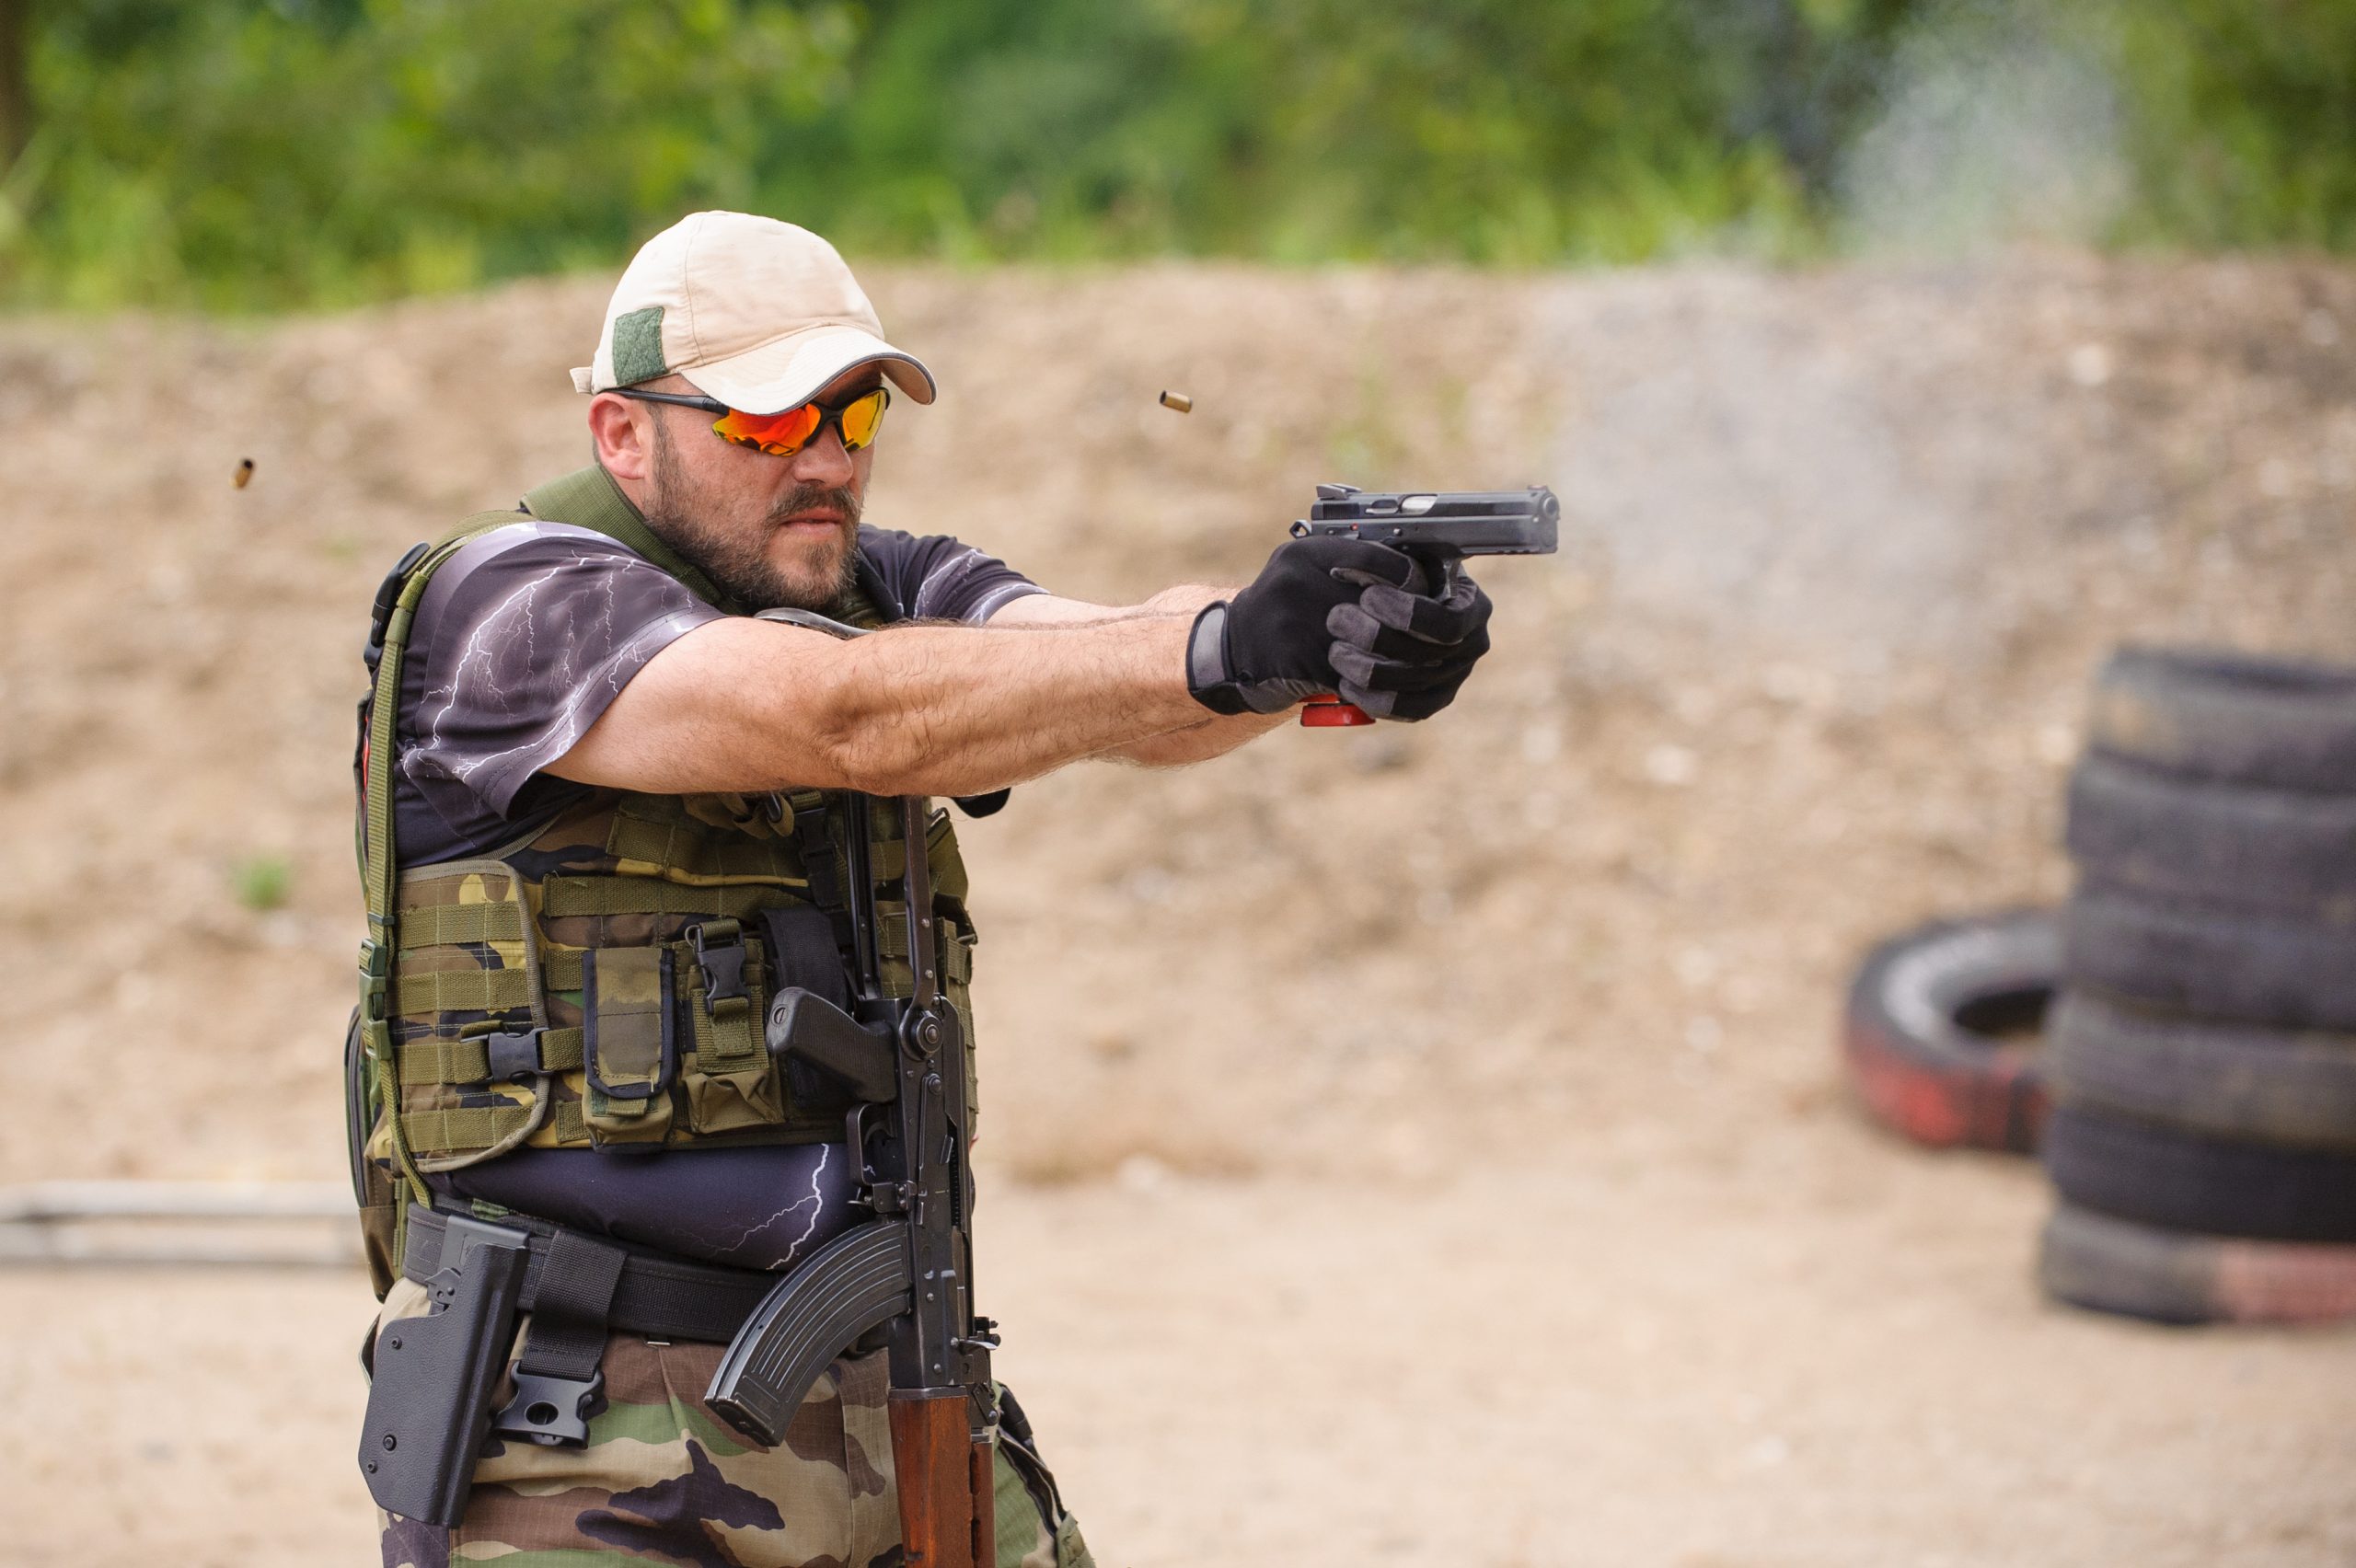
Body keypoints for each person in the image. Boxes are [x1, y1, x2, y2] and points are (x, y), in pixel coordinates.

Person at [353, 210, 1494, 1568]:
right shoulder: (511, 604)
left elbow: (1115, 670)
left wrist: (1299, 646)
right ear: (622, 434)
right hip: (595, 1432)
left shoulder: (872, 581)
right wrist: (1214, 648)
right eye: (769, 423)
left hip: (897, 1377)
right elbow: (844, 720)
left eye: (852, 413)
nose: (827, 457)